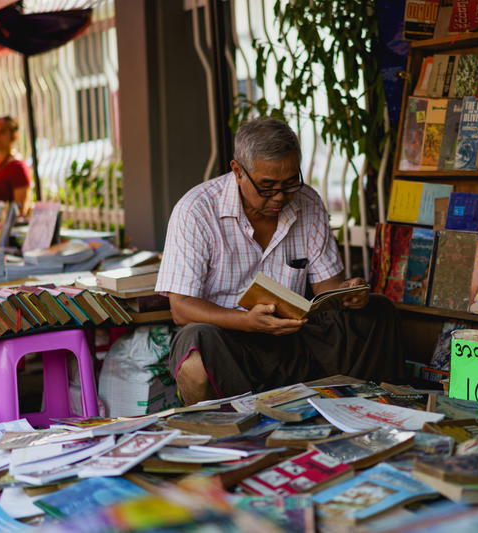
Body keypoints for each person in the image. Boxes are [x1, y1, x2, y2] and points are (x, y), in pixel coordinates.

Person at [156, 117, 404, 405]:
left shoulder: (307, 201)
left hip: (294, 334)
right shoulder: (196, 211)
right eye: (267, 186)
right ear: (237, 171)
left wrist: (348, 293)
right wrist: (246, 322)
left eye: (290, 183)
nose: (280, 198)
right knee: (197, 344)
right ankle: (232, 427)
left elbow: (328, 288)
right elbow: (181, 308)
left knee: (377, 310)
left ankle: (366, 408)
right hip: (231, 337)